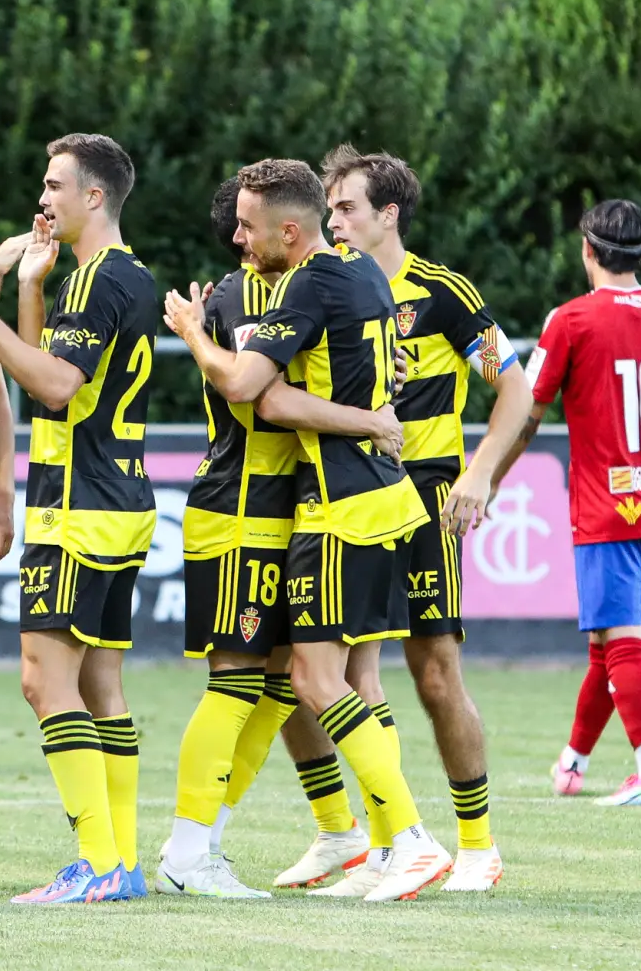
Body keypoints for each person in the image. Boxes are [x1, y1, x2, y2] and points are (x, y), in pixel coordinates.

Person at [162, 157, 449, 903]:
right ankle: (373, 843)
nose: (239, 238)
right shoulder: (360, 275)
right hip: (360, 503)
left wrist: (193, 332)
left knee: (302, 681)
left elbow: (257, 394)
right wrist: (372, 421)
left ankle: (405, 840)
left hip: (332, 508)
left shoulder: (302, 284)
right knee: (322, 680)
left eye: (250, 227)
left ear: (288, 230)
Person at [272, 144, 530, 893]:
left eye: (348, 206)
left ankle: (477, 845)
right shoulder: (322, 286)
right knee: (342, 672)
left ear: (389, 214)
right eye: (329, 207)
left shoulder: (441, 295)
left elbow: (512, 390)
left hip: (422, 499)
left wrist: (477, 477)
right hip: (347, 497)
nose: (335, 219)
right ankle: (383, 842)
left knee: (434, 672)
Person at [0, 133, 158, 904]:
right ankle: (121, 864)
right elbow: (47, 379)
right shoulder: (112, 276)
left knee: (43, 681)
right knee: (101, 685)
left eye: (55, 185)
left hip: (80, 509)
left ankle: (97, 865)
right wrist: (31, 290)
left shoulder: (100, 283)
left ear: (94, 196)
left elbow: (56, 386)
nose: (42, 199)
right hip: (118, 504)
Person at [488, 199, 641, 807]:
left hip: (607, 510)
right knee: (608, 639)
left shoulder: (569, 320)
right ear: (638, 254)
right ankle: (572, 764)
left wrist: (491, 477)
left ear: (588, 251)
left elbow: (528, 412)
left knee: (620, 637)